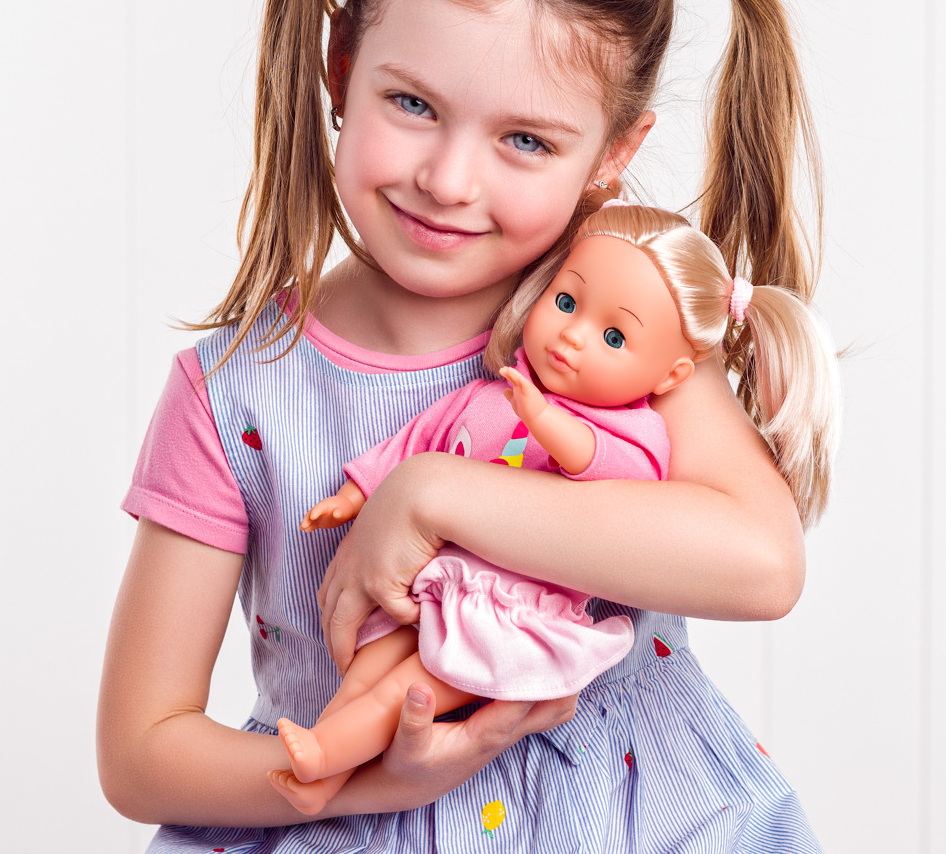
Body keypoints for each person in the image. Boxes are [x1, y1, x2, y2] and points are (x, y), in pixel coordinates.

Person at [98, 0, 849, 854]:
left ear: (613, 155)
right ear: (342, 67)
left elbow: (761, 564)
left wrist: (435, 493)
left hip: (636, 849)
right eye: (413, 104)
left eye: (526, 141)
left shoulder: (614, 333)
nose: (449, 180)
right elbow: (141, 749)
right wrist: (368, 784)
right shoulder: (234, 395)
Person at [271, 202, 838, 811]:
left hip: (509, 609)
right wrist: (356, 493)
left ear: (671, 376)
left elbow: (597, 465)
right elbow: (420, 439)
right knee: (369, 665)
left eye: (614, 337)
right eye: (566, 302)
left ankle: (326, 760)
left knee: (410, 689)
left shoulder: (636, 434)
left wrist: (539, 417)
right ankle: (322, 766)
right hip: (438, 582)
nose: (572, 335)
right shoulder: (496, 391)